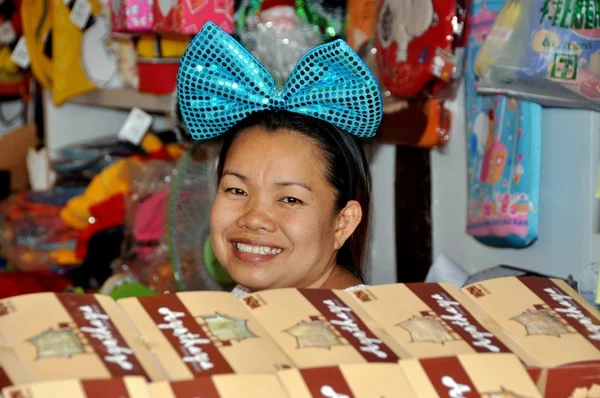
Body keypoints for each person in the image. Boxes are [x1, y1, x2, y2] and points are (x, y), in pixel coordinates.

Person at [177, 22, 383, 297]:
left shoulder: (344, 330)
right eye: (236, 190)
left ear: (342, 223)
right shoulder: (257, 297)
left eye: (289, 199)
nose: (253, 219)